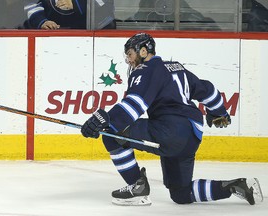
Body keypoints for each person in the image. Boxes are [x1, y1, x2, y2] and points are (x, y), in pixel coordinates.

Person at [81, 32, 263, 206]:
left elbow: (135, 104)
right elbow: (206, 89)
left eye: (130, 54)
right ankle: (235, 186)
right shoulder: (176, 67)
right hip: (192, 135)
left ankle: (137, 187)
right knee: (181, 194)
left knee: (111, 134)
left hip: (170, 131)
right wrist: (219, 112)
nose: (129, 59)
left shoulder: (145, 70)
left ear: (143, 51)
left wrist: (104, 120)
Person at [24, 0, 116, 30]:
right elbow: (32, 4)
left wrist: (76, 3)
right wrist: (42, 21)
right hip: (54, 36)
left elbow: (104, 2)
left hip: (94, 32)